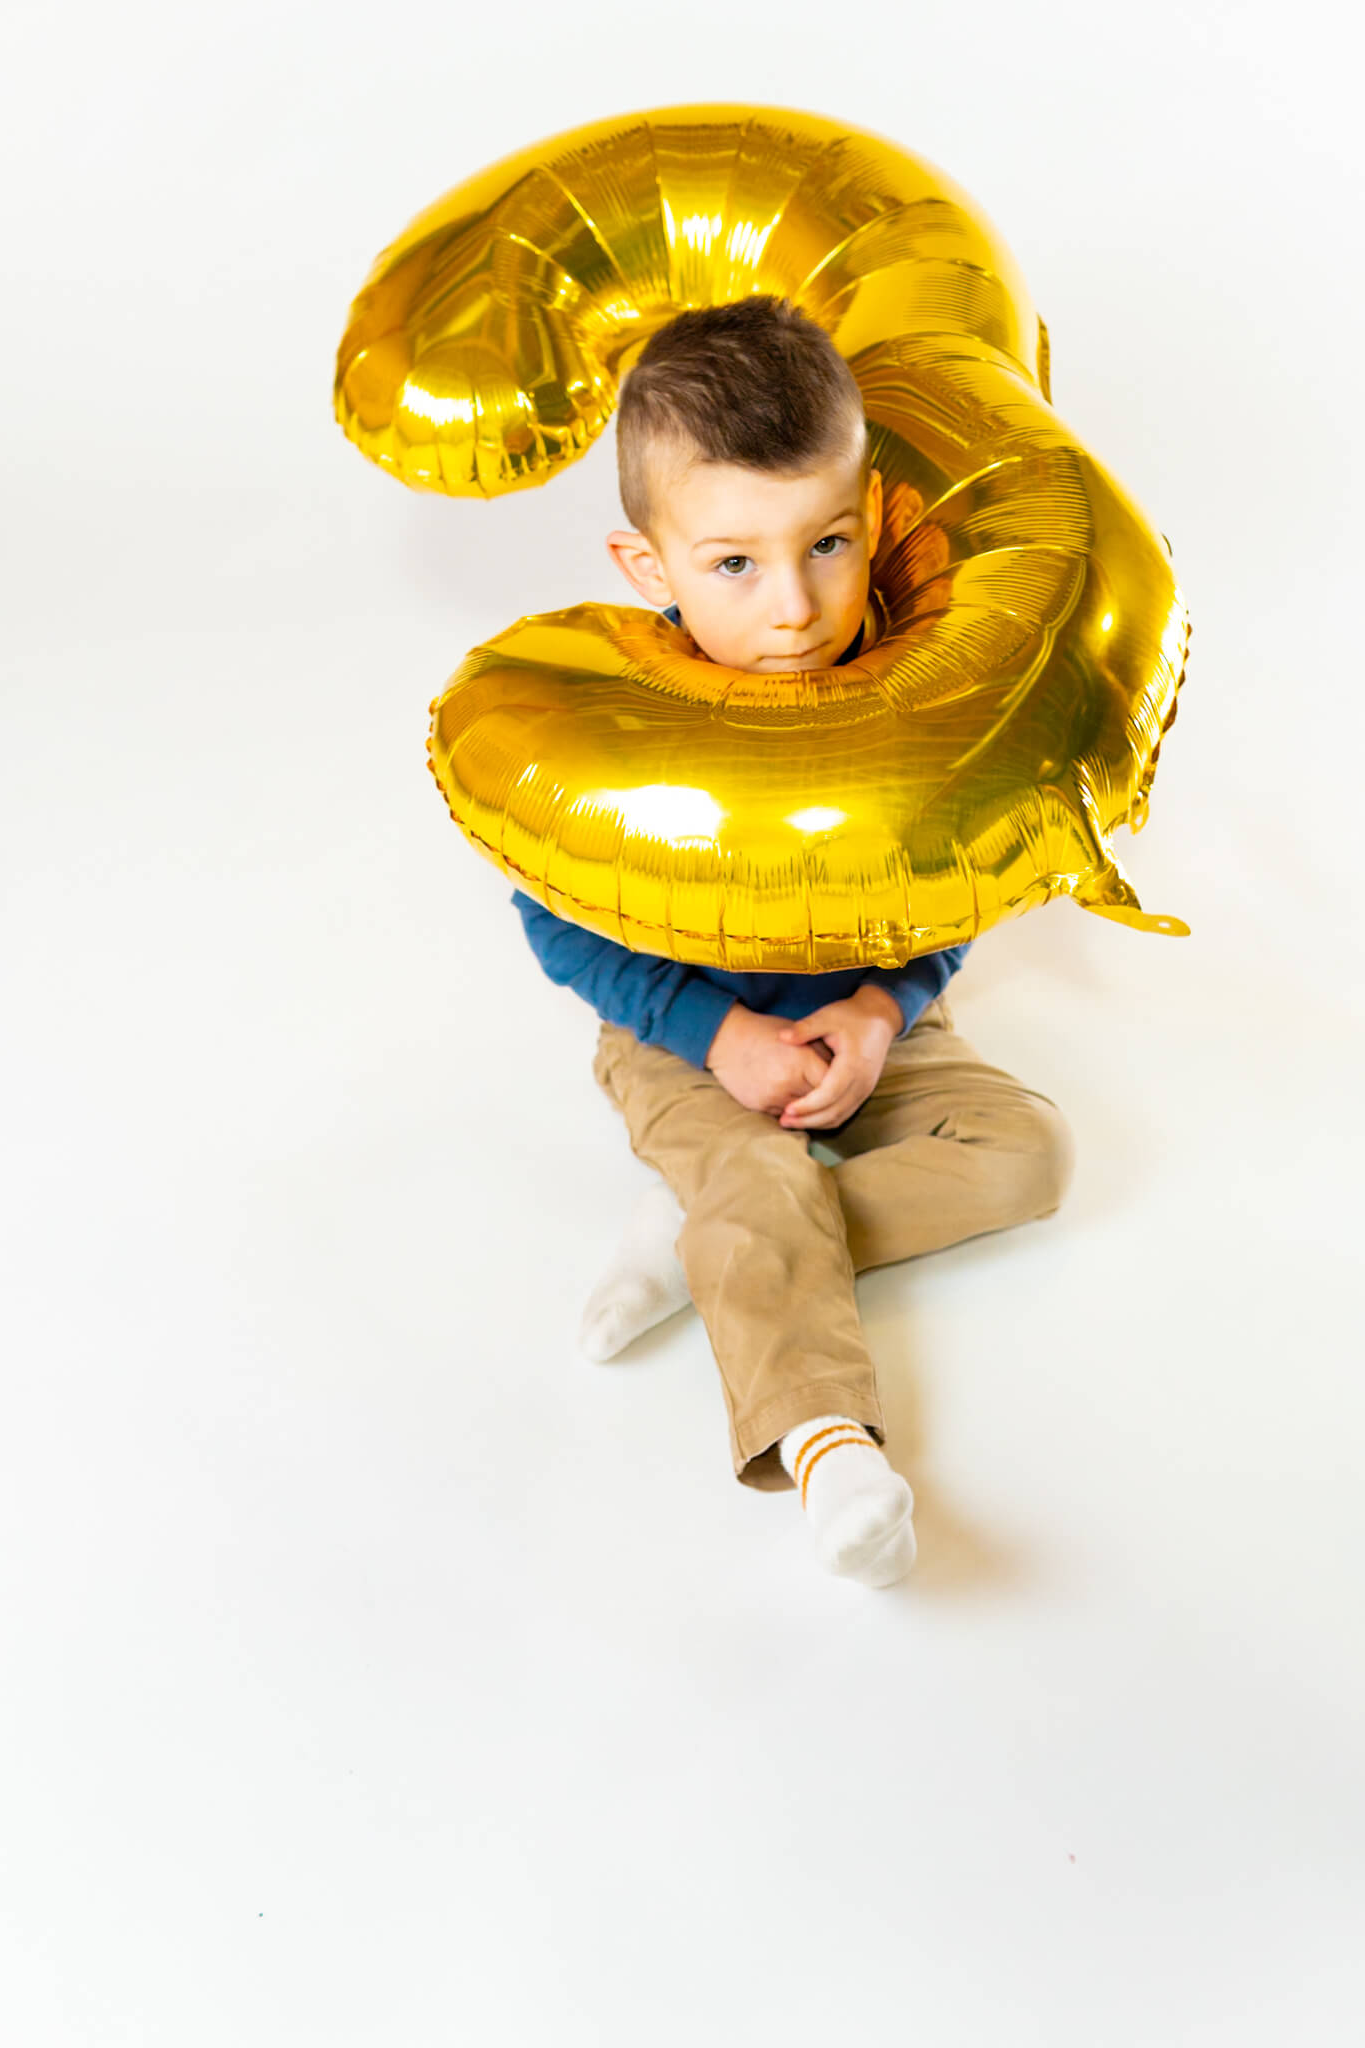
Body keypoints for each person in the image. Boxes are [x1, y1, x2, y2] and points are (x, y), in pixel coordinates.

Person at [512, 296, 1075, 1588]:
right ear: (648, 567)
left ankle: (699, 1237)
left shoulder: (898, 670)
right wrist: (715, 1035)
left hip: (869, 1014)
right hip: (683, 1032)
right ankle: (832, 1457)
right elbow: (553, 910)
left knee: (1029, 1151)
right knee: (758, 1170)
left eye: (824, 544)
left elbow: (955, 869)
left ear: (869, 513)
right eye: (732, 566)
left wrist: (885, 1008)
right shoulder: (626, 718)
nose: (794, 608)